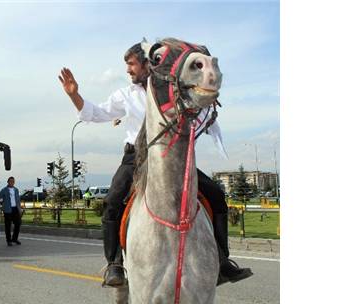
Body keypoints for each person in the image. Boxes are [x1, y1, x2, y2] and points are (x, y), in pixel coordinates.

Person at [58, 43, 252, 287]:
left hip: (172, 157)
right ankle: (114, 263)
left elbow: (197, 112)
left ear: (148, 64)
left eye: (131, 64)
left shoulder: (173, 92)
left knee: (215, 195)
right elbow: (95, 113)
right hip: (136, 158)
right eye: (127, 65)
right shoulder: (125, 95)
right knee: (113, 200)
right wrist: (74, 94)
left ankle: (222, 261)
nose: (128, 70)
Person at [0, 177, 22, 246]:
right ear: (8, 182)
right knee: (8, 226)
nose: (12, 182)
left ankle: (14, 238)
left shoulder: (16, 190)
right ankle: (8, 240)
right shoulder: (4, 190)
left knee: (18, 224)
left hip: (15, 209)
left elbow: (18, 200)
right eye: (10, 181)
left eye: (13, 181)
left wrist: (19, 209)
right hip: (8, 210)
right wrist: (2, 205)